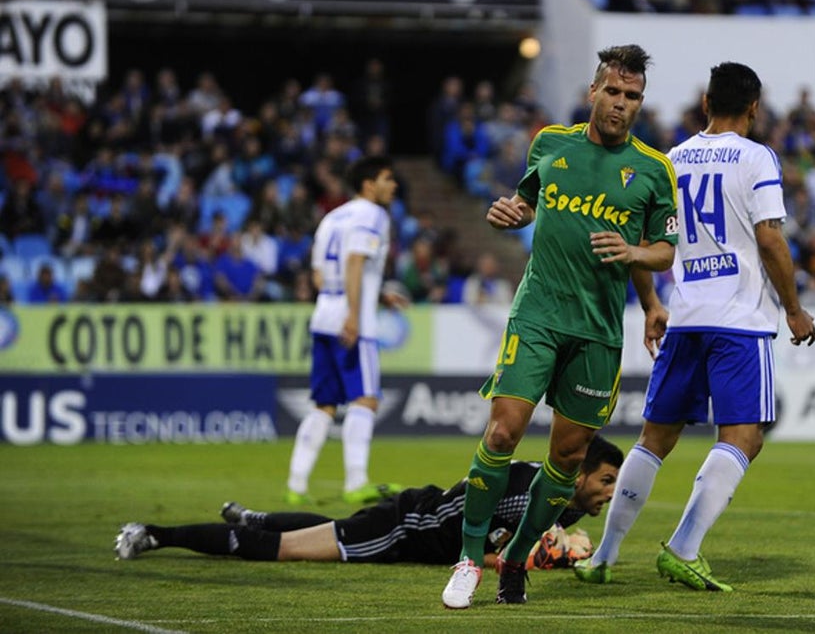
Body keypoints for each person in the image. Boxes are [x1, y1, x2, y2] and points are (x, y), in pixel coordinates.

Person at [441, 45, 679, 609]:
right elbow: (528, 201)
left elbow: (664, 250)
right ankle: (470, 559)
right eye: (613, 92)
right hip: (538, 314)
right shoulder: (551, 143)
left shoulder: (654, 169)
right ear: (593, 91)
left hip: (597, 331)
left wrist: (639, 267)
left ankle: (517, 558)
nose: (621, 104)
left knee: (569, 459)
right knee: (502, 433)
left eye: (632, 96)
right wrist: (511, 213)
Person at [573, 61, 815, 592]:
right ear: (754, 108)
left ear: (706, 103)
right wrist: (794, 309)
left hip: (684, 317)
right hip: (739, 322)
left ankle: (604, 556)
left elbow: (642, 242)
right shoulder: (756, 157)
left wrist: (651, 305)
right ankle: (683, 548)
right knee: (744, 437)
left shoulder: (670, 160)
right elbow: (770, 238)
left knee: (653, 439)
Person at [113, 435, 623, 568]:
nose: (609, 491)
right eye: (605, 480)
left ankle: (255, 516)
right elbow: (486, 546)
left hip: (413, 516)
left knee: (330, 528)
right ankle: (156, 534)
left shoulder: (563, 496)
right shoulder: (531, 492)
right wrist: (543, 556)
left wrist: (555, 542)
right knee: (288, 550)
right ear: (579, 473)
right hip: (405, 530)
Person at [285, 155, 405, 507]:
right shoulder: (374, 215)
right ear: (369, 184)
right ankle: (356, 481)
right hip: (354, 322)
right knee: (365, 399)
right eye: (387, 178)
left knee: (324, 404)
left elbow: (320, 277)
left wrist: (376, 294)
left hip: (323, 316)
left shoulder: (332, 217)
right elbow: (354, 261)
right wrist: (354, 313)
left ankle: (295, 486)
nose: (393, 185)